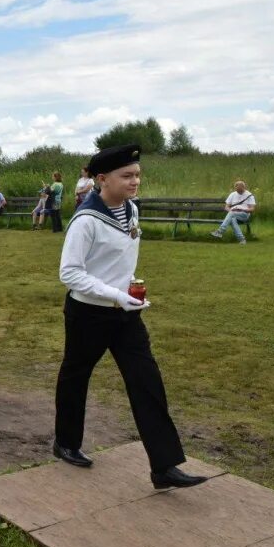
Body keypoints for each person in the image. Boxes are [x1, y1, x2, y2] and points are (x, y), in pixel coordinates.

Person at [54, 143, 206, 489]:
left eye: (137, 174)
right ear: (102, 179)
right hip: (88, 313)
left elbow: (119, 260)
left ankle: (164, 466)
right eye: (127, 176)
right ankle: (66, 442)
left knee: (146, 381)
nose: (135, 181)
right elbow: (70, 273)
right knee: (75, 376)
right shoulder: (86, 220)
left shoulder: (131, 211)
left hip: (126, 314)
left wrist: (130, 291)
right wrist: (116, 294)